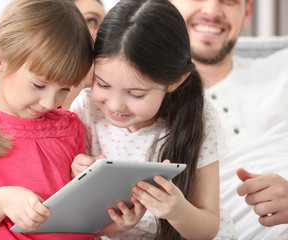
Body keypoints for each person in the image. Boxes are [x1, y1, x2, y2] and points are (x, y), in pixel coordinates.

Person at [70, 0, 231, 239]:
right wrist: (75, 173)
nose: (115, 105)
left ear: (175, 81)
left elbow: (208, 227)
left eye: (136, 94)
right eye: (103, 84)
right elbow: (73, 210)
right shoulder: (86, 108)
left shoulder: (199, 115)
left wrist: (177, 211)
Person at [0, 0, 95, 239]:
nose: (49, 102)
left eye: (64, 89)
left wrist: (87, 178)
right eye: (39, 84)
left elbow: (80, 217)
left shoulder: (69, 125)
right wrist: (1, 201)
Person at [170, 0, 288, 239]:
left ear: (247, 13)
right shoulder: (140, 102)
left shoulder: (282, 67)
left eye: (229, 1)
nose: (212, 11)